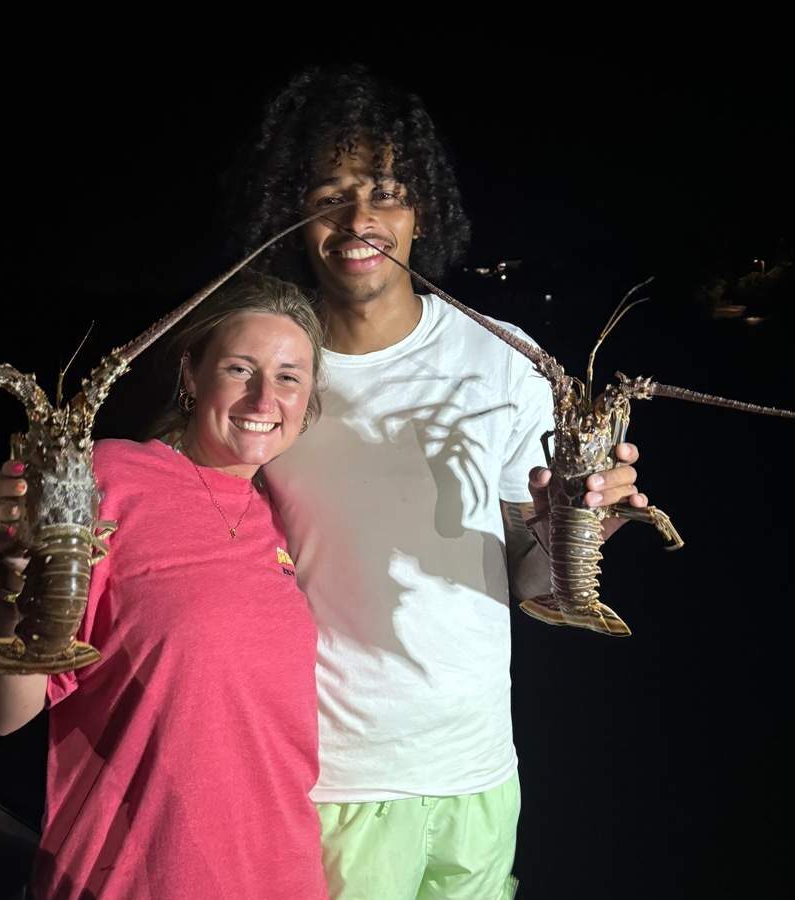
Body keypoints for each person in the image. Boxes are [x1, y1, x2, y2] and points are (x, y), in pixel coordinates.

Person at [236, 65, 649, 899]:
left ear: (422, 210)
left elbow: (528, 579)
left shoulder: (508, 356)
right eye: (331, 193)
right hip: (334, 782)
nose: (360, 220)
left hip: (482, 770)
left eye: (386, 192)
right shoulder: (265, 374)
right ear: (294, 213)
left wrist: (582, 530)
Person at [0, 273, 330, 900]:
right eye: (240, 369)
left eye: (290, 377)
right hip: (130, 879)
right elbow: (0, 714)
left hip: (282, 875)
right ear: (191, 374)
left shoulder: (283, 513)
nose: (265, 397)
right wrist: (18, 569)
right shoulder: (107, 476)